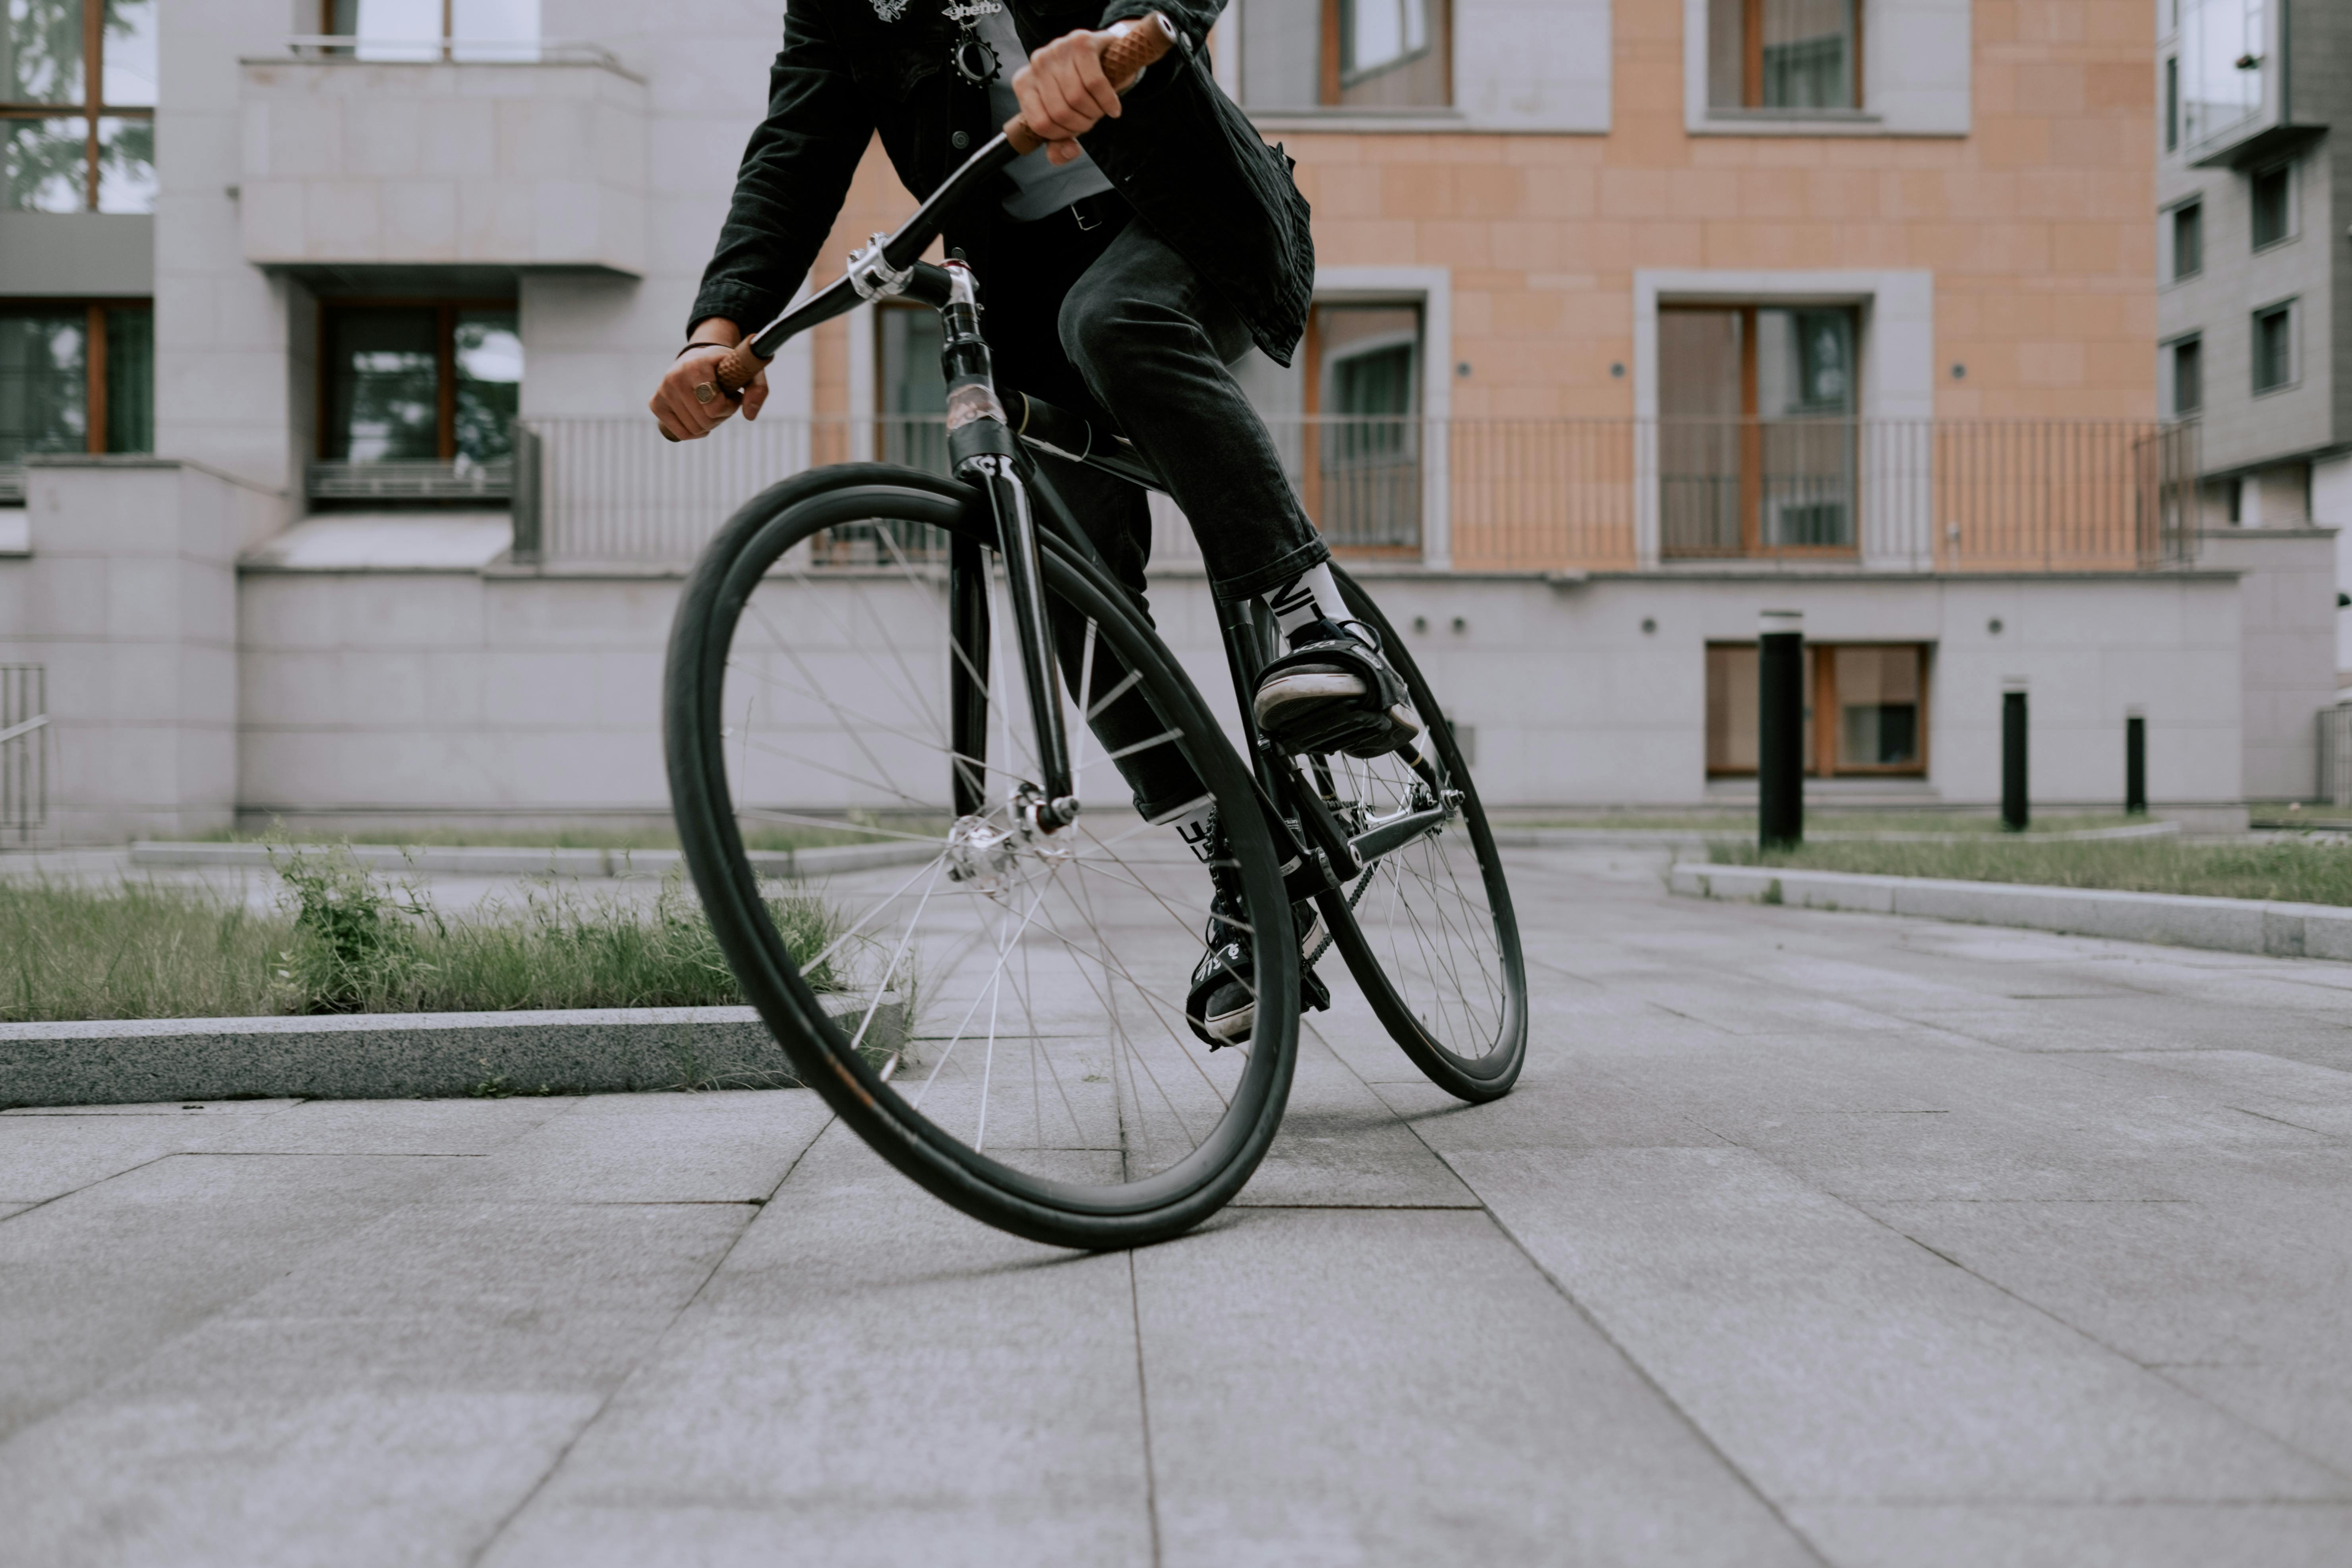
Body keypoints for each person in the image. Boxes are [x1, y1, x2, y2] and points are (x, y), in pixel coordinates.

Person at [648, 0, 1418, 1045]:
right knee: (1065, 578)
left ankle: (1322, 621)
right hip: (1029, 306)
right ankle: (1260, 866)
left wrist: (1125, 35)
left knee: (1118, 319)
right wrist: (720, 326)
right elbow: (797, 144)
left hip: (1194, 222)